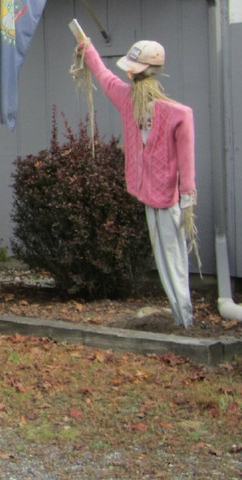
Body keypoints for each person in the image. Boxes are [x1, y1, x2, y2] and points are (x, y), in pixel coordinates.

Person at [75, 31, 196, 328]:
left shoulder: (175, 113)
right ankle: (184, 317)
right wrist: (88, 49)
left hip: (167, 199)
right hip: (150, 193)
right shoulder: (130, 100)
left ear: (135, 71)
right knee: (169, 256)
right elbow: (104, 76)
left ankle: (186, 318)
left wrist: (188, 198)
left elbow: (186, 161)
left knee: (173, 257)